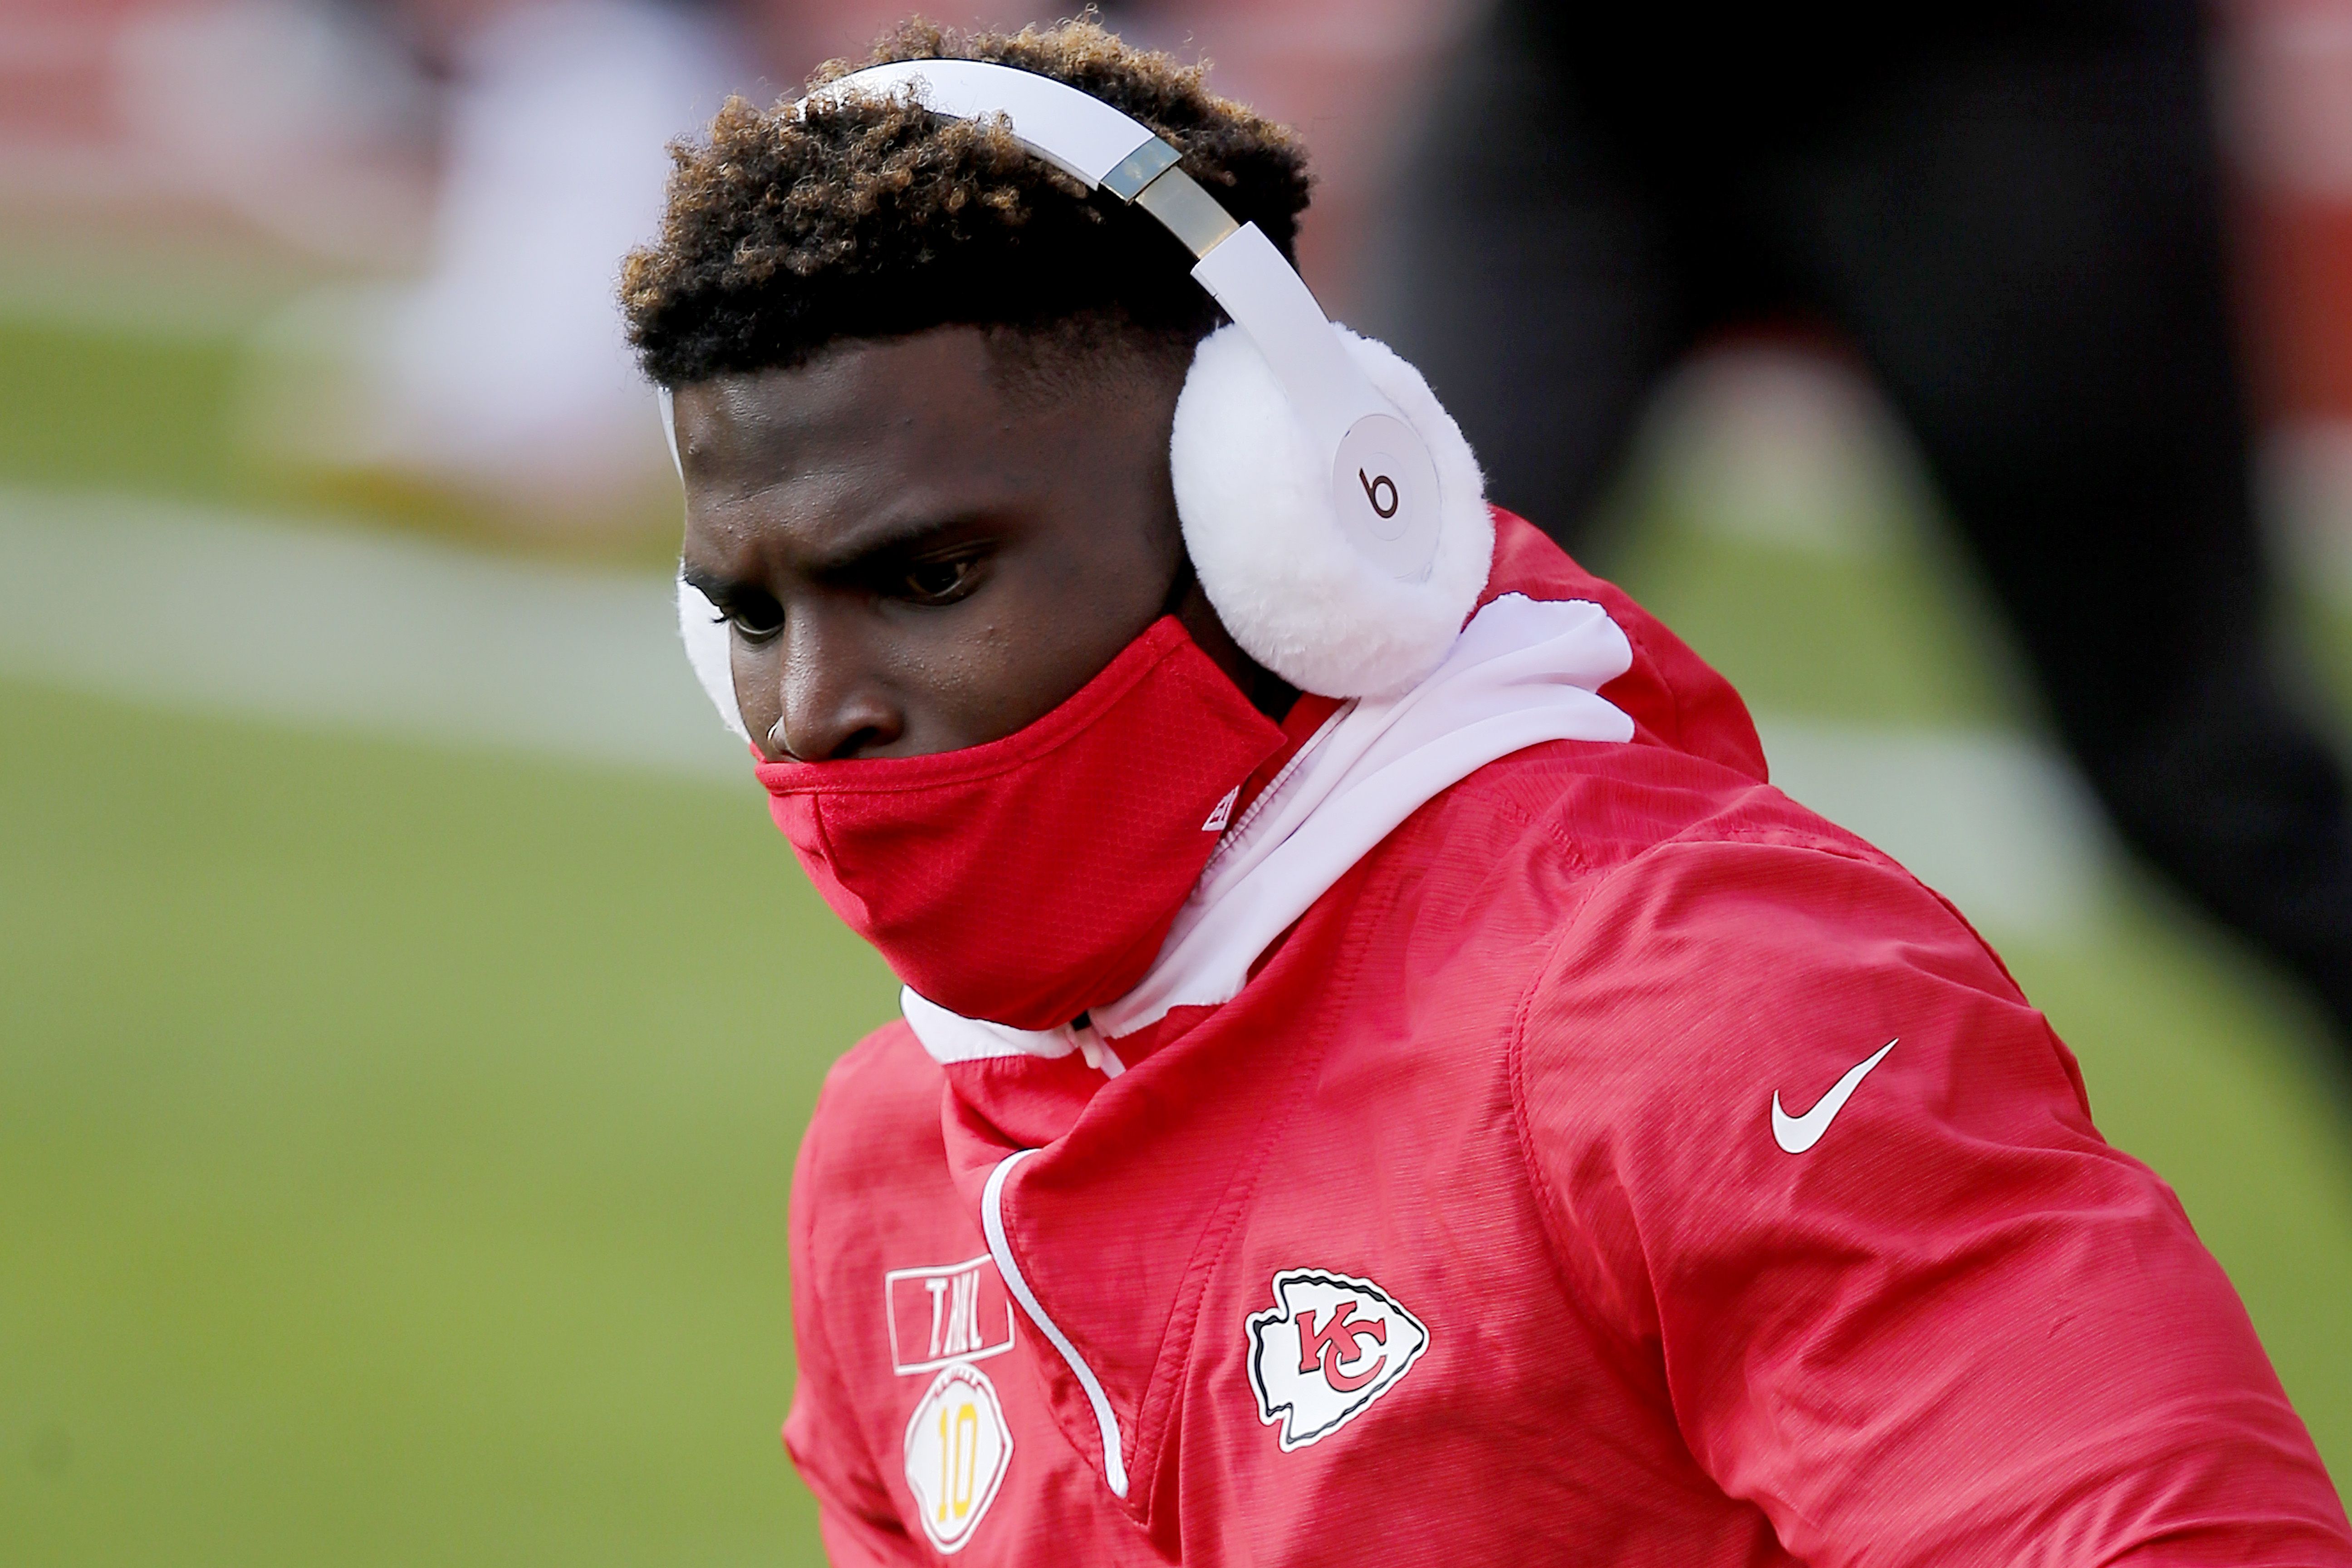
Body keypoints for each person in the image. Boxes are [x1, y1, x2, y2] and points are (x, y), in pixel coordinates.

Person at [620, 19, 2352, 1565]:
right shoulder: (885, 1166)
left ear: (1277, 528)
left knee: (2203, 771)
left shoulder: (1700, 1006)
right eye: (752, 617)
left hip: (1992, 93)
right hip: (1597, 65)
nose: (817, 711)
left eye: (928, 576)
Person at [1372, 0, 2352, 1053]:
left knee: (2204, 774)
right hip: (1593, 70)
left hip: (1995, 72)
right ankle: (1272, 1206)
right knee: (1368, 653)